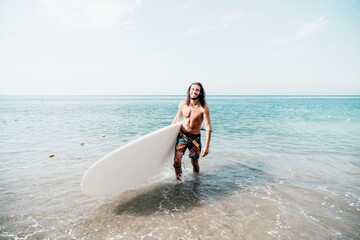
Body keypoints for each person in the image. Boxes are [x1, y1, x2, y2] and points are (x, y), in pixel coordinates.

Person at [172, 82, 212, 181]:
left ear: (200, 93)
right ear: (189, 90)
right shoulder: (183, 104)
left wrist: (207, 146)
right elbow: (176, 119)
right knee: (177, 161)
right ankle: (179, 182)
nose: (194, 91)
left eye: (197, 90)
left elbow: (207, 126)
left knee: (194, 162)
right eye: (192, 89)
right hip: (182, 136)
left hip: (195, 139)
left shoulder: (204, 107)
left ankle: (196, 181)